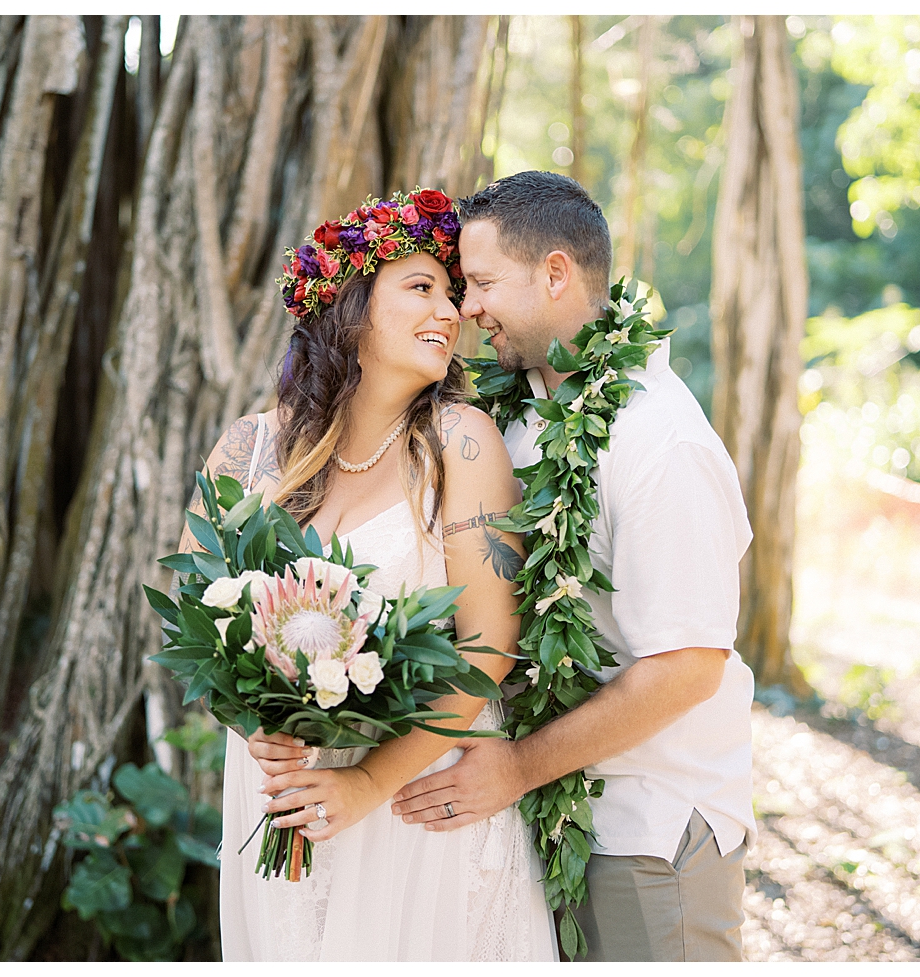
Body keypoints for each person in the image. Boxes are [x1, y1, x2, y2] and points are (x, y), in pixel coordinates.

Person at [178, 188, 557, 961]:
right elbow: (197, 622)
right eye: (422, 287)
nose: (450, 311)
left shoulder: (460, 442)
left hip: (415, 807)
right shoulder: (247, 450)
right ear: (349, 306)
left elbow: (489, 650)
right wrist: (259, 727)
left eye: (454, 294)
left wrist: (365, 784)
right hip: (284, 797)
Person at [390, 170, 757, 962]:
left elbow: (688, 665)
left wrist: (517, 766)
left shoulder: (661, 444)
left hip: (647, 830)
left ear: (556, 273)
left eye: (482, 282)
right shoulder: (512, 414)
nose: (467, 307)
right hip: (548, 820)